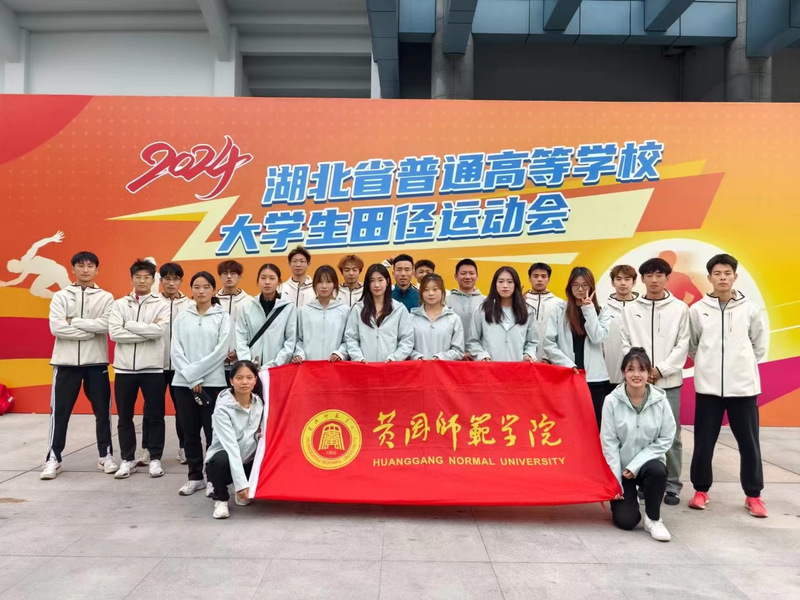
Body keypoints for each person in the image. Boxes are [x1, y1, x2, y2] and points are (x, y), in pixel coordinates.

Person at [687, 254, 768, 518]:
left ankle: (753, 495)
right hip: (709, 390)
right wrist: (709, 365)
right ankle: (701, 491)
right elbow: (693, 346)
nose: (722, 278)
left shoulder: (750, 309)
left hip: (743, 389)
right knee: (703, 443)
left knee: (749, 444)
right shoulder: (697, 310)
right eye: (717, 273)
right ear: (709, 277)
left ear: (735, 276)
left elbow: (759, 345)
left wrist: (740, 367)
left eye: (727, 273)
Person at [41, 251, 116, 480]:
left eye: (90, 265)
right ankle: (54, 458)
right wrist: (88, 332)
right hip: (65, 363)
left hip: (96, 363)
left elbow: (105, 325)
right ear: (72, 269)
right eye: (81, 265)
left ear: (97, 270)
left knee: (102, 412)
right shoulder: (60, 296)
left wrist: (73, 321)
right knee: (60, 413)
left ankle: (105, 455)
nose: (85, 270)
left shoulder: (106, 297)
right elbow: (57, 328)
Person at [620, 257, 690, 506]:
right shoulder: (631, 309)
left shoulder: (679, 308)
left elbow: (683, 344)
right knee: (641, 434)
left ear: (667, 278)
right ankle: (645, 481)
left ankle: (672, 485)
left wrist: (661, 370)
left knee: (672, 435)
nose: (654, 280)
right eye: (649, 275)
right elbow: (626, 343)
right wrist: (641, 370)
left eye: (659, 275)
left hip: (668, 382)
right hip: (639, 384)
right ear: (642, 279)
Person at [600, 348, 676, 542]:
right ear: (623, 372)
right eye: (631, 369)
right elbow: (609, 443)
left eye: (642, 370)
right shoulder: (611, 401)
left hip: (648, 465)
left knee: (658, 470)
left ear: (649, 373)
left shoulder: (660, 400)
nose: (636, 374)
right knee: (627, 521)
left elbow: (666, 437)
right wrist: (615, 483)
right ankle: (630, 498)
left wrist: (636, 465)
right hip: (622, 469)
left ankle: (653, 519)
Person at [107, 259, 170, 479]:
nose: (142, 281)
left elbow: (159, 332)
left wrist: (130, 325)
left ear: (153, 280)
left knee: (155, 415)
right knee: (125, 417)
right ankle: (127, 459)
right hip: (124, 369)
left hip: (152, 369)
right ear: (131, 279)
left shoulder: (161, 304)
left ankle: (155, 458)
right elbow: (115, 334)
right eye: (138, 277)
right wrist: (147, 331)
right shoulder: (119, 304)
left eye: (146, 277)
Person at [171, 272, 231, 497]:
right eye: (196, 287)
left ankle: (213, 478)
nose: (201, 291)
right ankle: (195, 476)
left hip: (213, 383)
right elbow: (175, 349)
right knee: (189, 432)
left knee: (212, 432)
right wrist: (191, 378)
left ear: (213, 290)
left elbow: (221, 351)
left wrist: (196, 376)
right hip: (183, 384)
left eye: (206, 287)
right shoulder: (182, 316)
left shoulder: (222, 317)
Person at [543, 266, 611, 429]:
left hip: (595, 379)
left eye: (585, 285)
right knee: (570, 426)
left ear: (591, 287)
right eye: (576, 285)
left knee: (596, 425)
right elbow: (549, 343)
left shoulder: (602, 310)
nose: (580, 289)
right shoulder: (560, 310)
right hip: (569, 377)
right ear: (569, 287)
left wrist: (588, 310)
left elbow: (598, 338)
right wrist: (567, 365)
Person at [205, 360, 264, 519]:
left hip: (247, 457)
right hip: (227, 455)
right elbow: (230, 446)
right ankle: (221, 499)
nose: (245, 382)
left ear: (255, 380)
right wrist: (241, 484)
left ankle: (238, 487)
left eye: (249, 377)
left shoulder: (258, 403)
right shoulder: (222, 409)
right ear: (231, 381)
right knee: (219, 461)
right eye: (239, 378)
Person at [157, 262, 191, 465]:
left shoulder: (189, 304)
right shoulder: (153, 302)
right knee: (154, 411)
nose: (171, 283)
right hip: (156, 365)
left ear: (181, 281)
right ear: (161, 281)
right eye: (167, 279)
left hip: (180, 367)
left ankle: (184, 447)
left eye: (175, 279)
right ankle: (150, 450)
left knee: (183, 410)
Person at [466, 266, 538, 362]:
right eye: (500, 281)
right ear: (495, 284)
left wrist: (529, 354)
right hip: (489, 367)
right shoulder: (483, 310)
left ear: (516, 285)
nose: (505, 286)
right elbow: (473, 341)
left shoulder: (528, 311)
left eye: (510, 282)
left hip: (518, 367)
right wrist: (482, 356)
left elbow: (532, 342)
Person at [345, 263, 414, 362]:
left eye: (380, 280)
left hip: (390, 366)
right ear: (367, 284)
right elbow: (351, 338)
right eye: (372, 281)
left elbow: (407, 340)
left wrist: (394, 358)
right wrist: (359, 358)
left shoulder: (399, 309)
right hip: (365, 366)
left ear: (387, 282)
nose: (376, 285)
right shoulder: (358, 309)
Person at [236, 263, 297, 369]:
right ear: (258, 280)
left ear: (279, 282)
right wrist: (248, 365)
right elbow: (241, 338)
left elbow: (290, 341)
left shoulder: (288, 307)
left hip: (277, 369)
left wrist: (273, 365)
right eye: (263, 278)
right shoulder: (246, 307)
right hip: (251, 370)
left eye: (272, 278)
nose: (267, 282)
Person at [292, 265, 349, 363]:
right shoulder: (304, 311)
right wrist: (299, 354)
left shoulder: (345, 310)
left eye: (328, 282)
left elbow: (349, 340)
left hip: (335, 366)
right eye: (320, 282)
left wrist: (340, 353)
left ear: (335, 284)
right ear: (314, 284)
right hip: (309, 366)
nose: (324, 286)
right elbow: (298, 339)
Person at [0, 230, 71, 298]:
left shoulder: (26, 259)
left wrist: (52, 238)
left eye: (14, 271)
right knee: (35, 290)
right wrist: (5, 284)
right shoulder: (25, 270)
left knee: (72, 293)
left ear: (16, 264)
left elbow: (36, 245)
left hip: (57, 272)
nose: (16, 273)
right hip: (48, 275)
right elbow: (18, 280)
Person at [410, 273, 464, 361]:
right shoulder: (412, 318)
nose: (431, 293)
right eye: (426, 290)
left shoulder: (453, 319)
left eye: (435, 289)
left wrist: (441, 357)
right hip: (418, 367)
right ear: (421, 293)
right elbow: (406, 346)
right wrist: (417, 356)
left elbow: (458, 350)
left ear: (442, 292)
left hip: (443, 368)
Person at [604, 265, 639, 387]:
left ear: (634, 282)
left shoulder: (642, 308)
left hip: (637, 375)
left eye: (627, 279)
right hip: (610, 374)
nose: (623, 283)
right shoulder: (603, 309)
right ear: (612, 282)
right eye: (618, 279)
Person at [216, 260, 249, 384]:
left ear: (239, 276)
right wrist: (220, 353)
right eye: (225, 273)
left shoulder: (249, 302)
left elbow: (251, 332)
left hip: (240, 363)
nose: (229, 277)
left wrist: (238, 351)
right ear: (220, 276)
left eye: (233, 273)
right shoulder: (212, 302)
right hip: (216, 365)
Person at [524, 262, 566, 361]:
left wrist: (549, 358)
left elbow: (562, 335)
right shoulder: (521, 302)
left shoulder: (559, 303)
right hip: (524, 359)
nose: (539, 279)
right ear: (529, 279)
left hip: (551, 360)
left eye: (543, 276)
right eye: (535, 276)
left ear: (548, 279)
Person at [445, 259, 485, 357]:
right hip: (452, 357)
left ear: (477, 276)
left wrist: (477, 354)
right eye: (463, 273)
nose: (467, 277)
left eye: (471, 273)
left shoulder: (487, 301)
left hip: (481, 357)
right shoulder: (446, 301)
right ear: (456, 276)